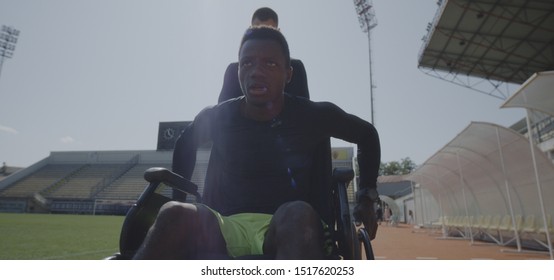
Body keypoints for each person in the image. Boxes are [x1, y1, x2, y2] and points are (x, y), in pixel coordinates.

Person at [133, 26, 380, 260]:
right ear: (239, 69)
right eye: (247, 63)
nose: (256, 71)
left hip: (291, 224)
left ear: (288, 73)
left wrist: (366, 195)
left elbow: (367, 135)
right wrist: (180, 196)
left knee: (296, 214)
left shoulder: (314, 115)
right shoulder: (217, 117)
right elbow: (185, 143)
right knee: (173, 214)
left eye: (270, 63)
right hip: (227, 225)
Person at [217, 7, 309, 103]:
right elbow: (222, 111)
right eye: (257, 30)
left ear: (289, 74)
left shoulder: (295, 67)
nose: (262, 36)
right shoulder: (233, 70)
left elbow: (303, 109)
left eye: (269, 31)